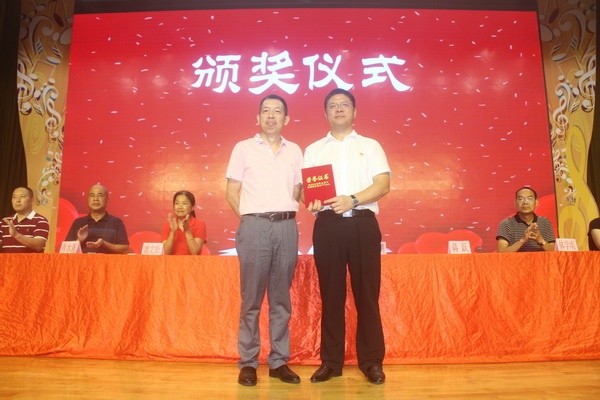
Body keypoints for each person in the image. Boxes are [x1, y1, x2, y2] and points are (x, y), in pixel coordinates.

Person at [304, 88, 391, 385]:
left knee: (367, 295)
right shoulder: (314, 149)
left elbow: (382, 184)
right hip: (328, 226)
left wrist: (352, 200)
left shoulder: (370, 145)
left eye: (344, 105)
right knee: (331, 295)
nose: (339, 109)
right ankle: (331, 362)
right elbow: (308, 190)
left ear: (354, 111)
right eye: (333, 105)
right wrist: (310, 201)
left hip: (363, 224)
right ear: (325, 112)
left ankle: (371, 362)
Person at [225, 94, 303, 386]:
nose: (271, 116)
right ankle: (248, 362)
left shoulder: (295, 151)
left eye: (277, 111)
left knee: (281, 299)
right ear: (258, 118)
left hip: (286, 227)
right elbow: (231, 192)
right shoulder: (242, 148)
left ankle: (279, 361)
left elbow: (298, 190)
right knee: (252, 299)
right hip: (254, 226)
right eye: (266, 111)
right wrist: (249, 218)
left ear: (286, 119)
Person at [64, 184, 130, 254]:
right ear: (88, 199)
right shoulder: (78, 223)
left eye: (100, 195)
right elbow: (65, 251)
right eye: (92, 195)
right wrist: (79, 240)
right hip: (82, 261)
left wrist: (104, 243)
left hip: (106, 261)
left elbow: (125, 249)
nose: (95, 199)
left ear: (107, 199)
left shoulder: (117, 222)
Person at [496, 186, 556, 252]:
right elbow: (501, 252)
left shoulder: (545, 222)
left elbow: (552, 250)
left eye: (529, 199)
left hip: (540, 259)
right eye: (521, 199)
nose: (525, 202)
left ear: (536, 202)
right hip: (516, 259)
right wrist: (522, 240)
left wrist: (540, 240)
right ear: (515, 203)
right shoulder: (506, 223)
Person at [0, 187, 49, 253]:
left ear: (32, 200)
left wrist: (16, 235)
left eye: (22, 196)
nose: (18, 200)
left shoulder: (40, 221)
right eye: (14, 197)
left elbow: (38, 246)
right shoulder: (5, 221)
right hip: (6, 260)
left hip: (30, 260)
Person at [162, 190, 206, 255]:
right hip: (172, 261)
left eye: (184, 203)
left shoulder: (199, 224)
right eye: (177, 203)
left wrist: (187, 230)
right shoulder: (167, 225)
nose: (180, 207)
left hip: (191, 261)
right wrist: (172, 232)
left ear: (192, 207)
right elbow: (165, 253)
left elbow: (195, 252)